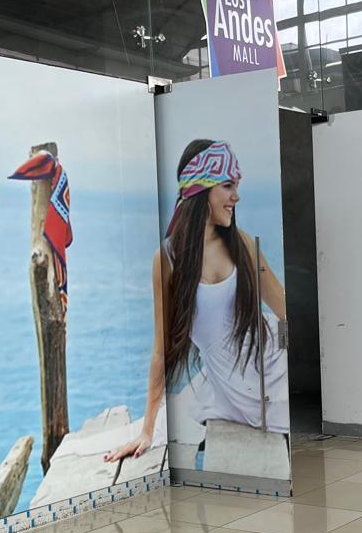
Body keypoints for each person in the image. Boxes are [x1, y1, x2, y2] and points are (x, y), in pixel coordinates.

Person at [105, 138, 287, 463]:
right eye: (227, 186)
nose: (236, 196)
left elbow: (286, 312)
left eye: (236, 186)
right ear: (200, 189)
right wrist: (147, 431)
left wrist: (288, 355)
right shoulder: (167, 260)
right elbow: (161, 349)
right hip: (232, 391)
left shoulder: (243, 244)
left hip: (273, 368)